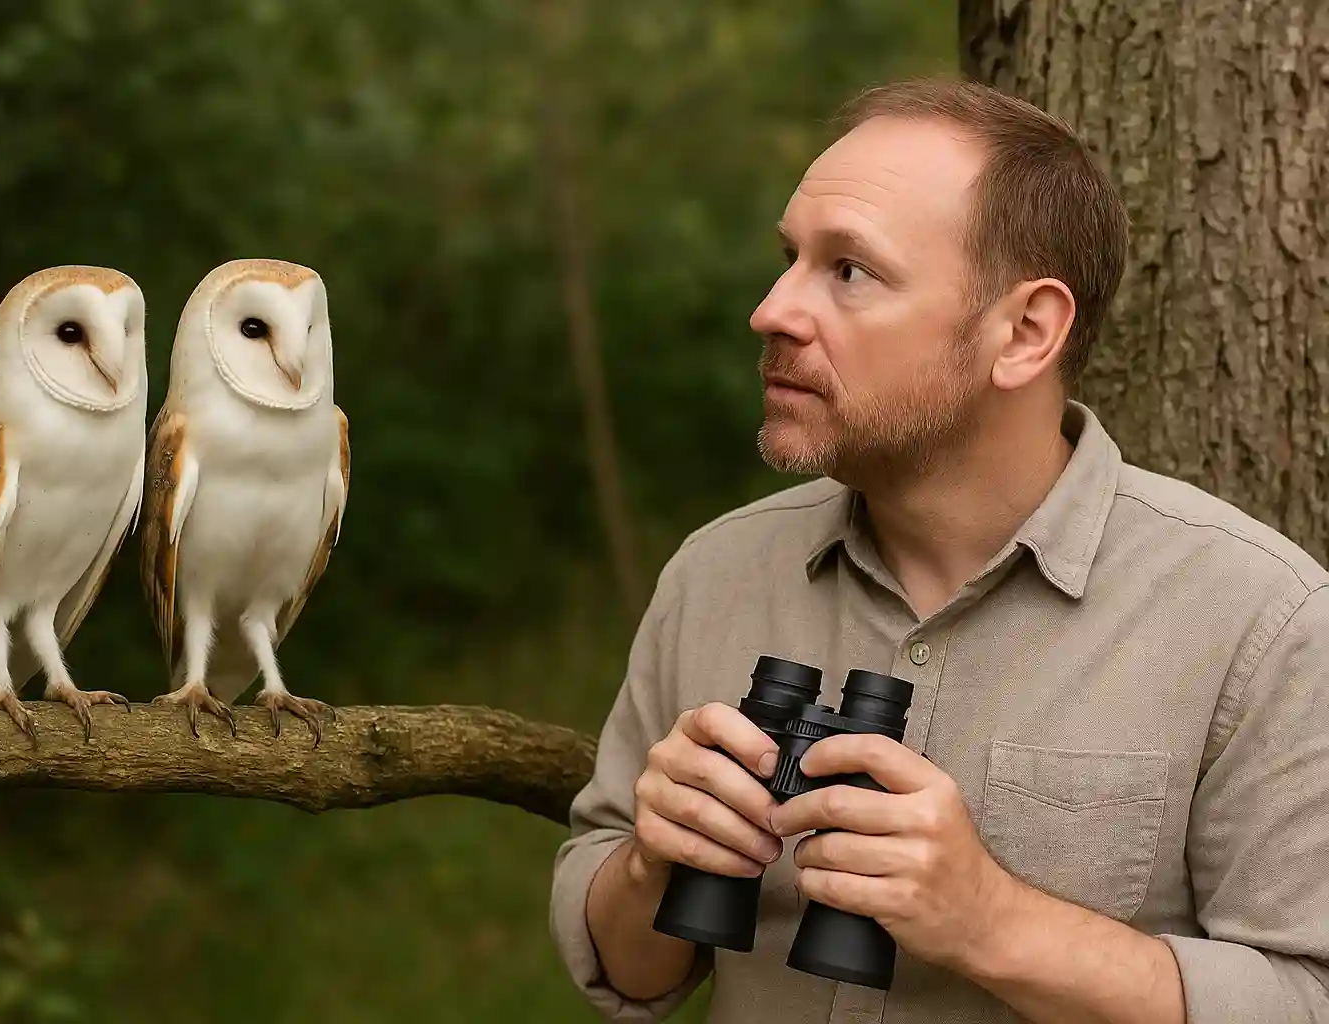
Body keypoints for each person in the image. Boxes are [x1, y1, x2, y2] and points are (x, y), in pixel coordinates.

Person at [548, 75, 1329, 1024]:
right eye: (791, 258)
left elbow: (1306, 996)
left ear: (1024, 333)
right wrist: (648, 865)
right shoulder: (714, 575)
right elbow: (632, 973)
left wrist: (991, 920)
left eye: (849, 272)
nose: (773, 310)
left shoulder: (1261, 621)